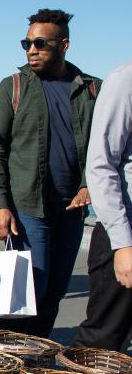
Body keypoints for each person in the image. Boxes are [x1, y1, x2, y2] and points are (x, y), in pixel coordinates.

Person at [0, 8, 100, 337]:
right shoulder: (13, 87)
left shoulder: (91, 90)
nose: (31, 50)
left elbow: (104, 147)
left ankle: (35, 360)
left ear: (64, 45)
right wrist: (0, 204)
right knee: (23, 293)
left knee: (54, 293)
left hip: (71, 209)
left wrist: (88, 184)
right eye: (27, 43)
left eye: (40, 43)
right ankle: (6, 364)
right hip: (27, 207)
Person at [73, 62, 132, 351]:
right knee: (102, 340)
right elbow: (101, 166)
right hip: (124, 232)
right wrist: (122, 245)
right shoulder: (125, 81)